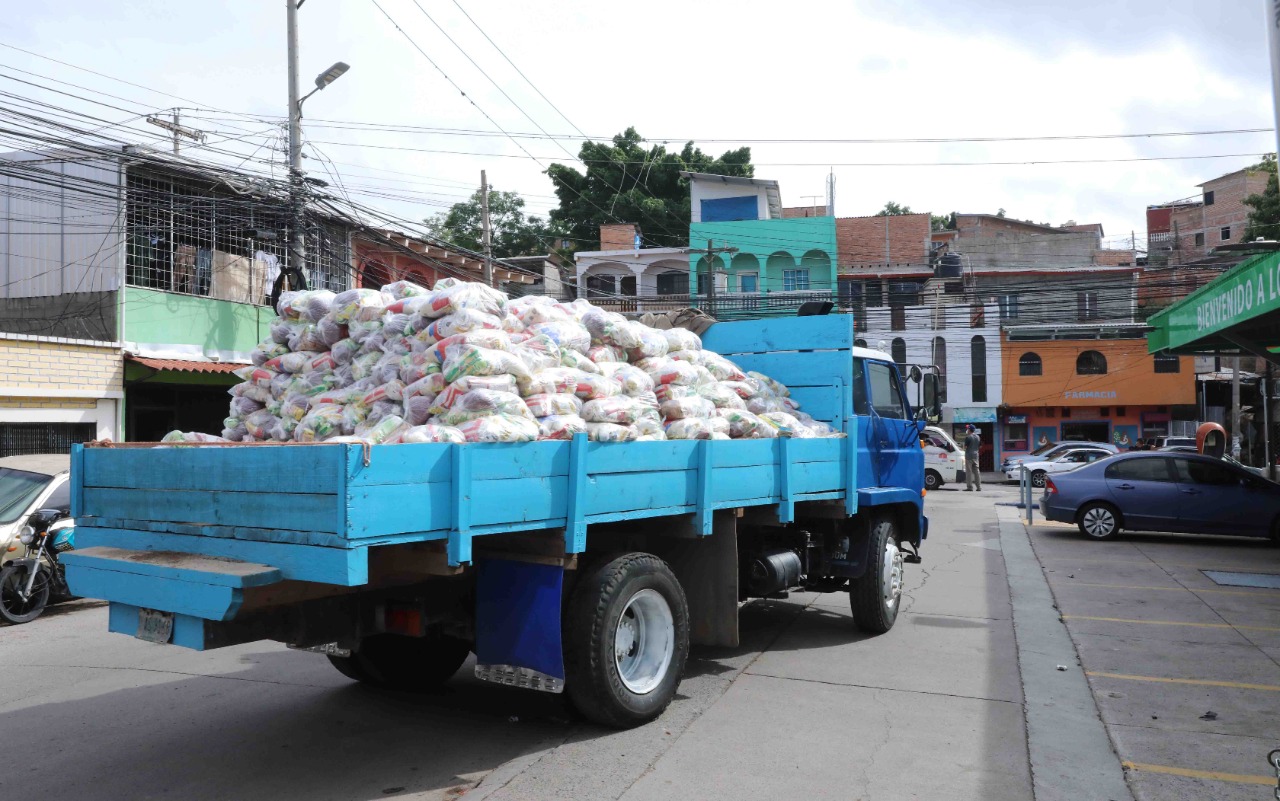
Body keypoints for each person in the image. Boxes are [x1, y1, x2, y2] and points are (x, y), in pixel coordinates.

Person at [963, 424, 982, 492]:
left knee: (969, 472)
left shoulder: (968, 437)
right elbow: (980, 446)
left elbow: (965, 447)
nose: (967, 430)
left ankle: (969, 487)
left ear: (969, 430)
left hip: (969, 456)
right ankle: (979, 487)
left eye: (967, 429)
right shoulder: (978, 437)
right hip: (975, 456)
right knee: (977, 472)